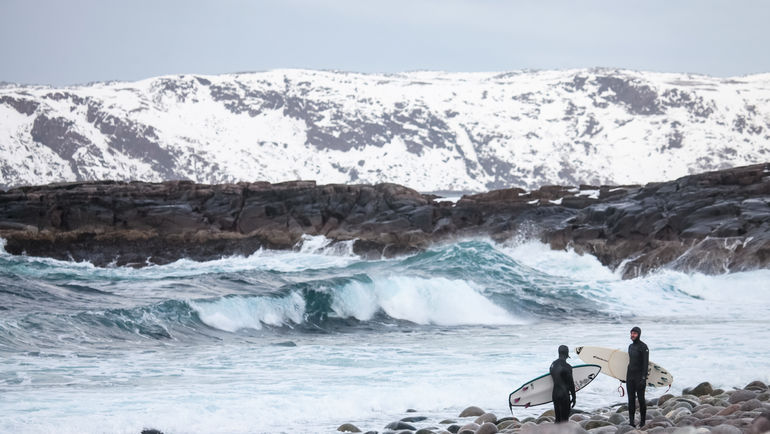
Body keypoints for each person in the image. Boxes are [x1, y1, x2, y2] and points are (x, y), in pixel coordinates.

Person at [627, 326, 649, 427]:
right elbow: (630, 363)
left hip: (639, 377)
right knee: (630, 399)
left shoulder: (644, 347)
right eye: (632, 333)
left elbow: (645, 364)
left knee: (641, 400)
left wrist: (644, 379)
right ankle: (631, 422)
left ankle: (643, 422)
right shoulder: (630, 347)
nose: (632, 335)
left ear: (639, 334)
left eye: (635, 333)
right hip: (630, 377)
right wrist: (624, 377)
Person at [549, 345, 576, 423]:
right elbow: (571, 384)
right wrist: (574, 398)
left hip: (555, 394)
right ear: (567, 354)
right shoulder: (567, 367)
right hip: (564, 395)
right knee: (564, 421)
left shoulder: (552, 365)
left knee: (557, 420)